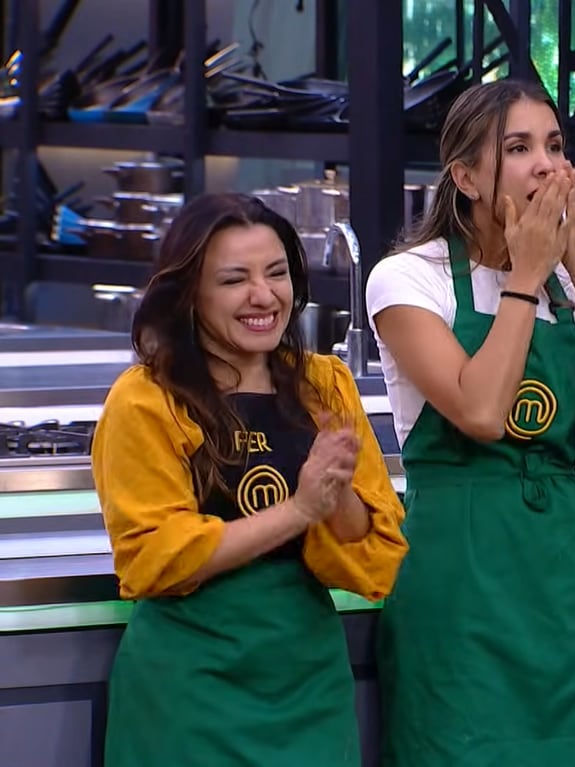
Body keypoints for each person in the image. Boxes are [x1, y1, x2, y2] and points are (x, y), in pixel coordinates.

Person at [367, 78, 575, 765]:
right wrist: (525, 276)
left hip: (568, 571)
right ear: (465, 177)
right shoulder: (407, 279)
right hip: (460, 579)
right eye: (519, 148)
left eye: (554, 146)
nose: (546, 165)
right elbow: (480, 411)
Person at [92, 193, 409, 767]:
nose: (263, 296)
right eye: (235, 280)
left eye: (276, 273)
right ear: (189, 293)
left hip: (307, 683)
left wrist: (336, 494)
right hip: (189, 690)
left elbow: (377, 556)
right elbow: (152, 558)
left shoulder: (324, 384)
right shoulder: (145, 400)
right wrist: (298, 510)